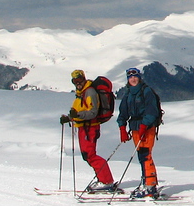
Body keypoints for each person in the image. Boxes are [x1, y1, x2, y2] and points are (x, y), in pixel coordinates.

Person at [60, 69, 117, 191]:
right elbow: (79, 110)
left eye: (79, 79)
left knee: (90, 155)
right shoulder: (81, 92)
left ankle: (106, 181)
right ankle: (103, 180)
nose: (77, 82)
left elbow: (93, 112)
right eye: (74, 80)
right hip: (84, 128)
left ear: (83, 78)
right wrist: (69, 118)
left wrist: (77, 116)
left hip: (90, 128)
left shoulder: (89, 92)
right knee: (88, 156)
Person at [116, 67, 160, 198]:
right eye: (130, 77)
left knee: (146, 154)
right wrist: (122, 128)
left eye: (135, 76)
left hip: (147, 127)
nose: (133, 79)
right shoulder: (128, 94)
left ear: (139, 77)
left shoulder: (146, 91)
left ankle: (150, 186)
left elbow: (152, 111)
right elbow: (122, 113)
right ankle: (146, 181)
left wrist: (144, 125)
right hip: (135, 128)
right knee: (141, 155)